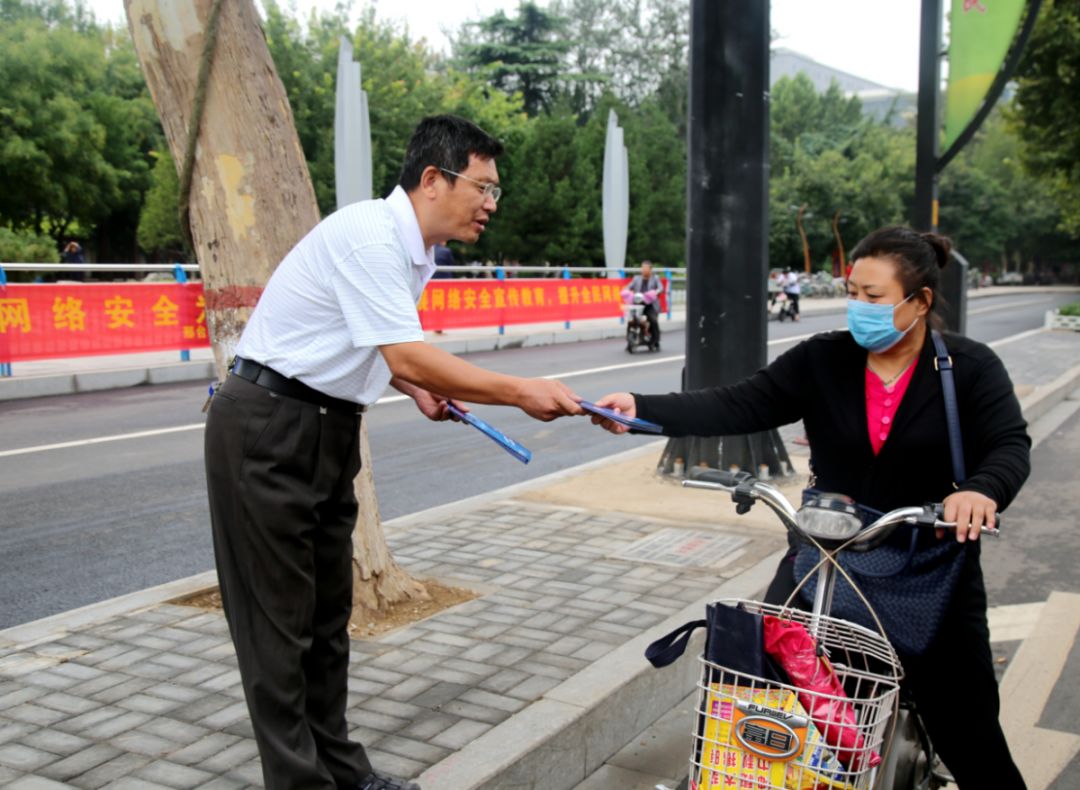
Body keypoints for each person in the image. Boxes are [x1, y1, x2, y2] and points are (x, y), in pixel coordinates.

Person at [204, 115, 582, 790]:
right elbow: (407, 350)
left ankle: (344, 772)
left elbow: (377, 346)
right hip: (268, 428)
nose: (492, 204)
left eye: (497, 191)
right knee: (276, 631)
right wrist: (517, 389)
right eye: (484, 187)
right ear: (433, 179)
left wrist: (412, 388)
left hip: (325, 428)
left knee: (325, 622)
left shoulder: (416, 252)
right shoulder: (371, 236)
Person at [588, 226, 1030, 789]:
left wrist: (981, 489)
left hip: (930, 567)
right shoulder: (824, 359)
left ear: (919, 302)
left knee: (967, 727)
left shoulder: (967, 368)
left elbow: (1009, 445)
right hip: (827, 556)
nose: (857, 308)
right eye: (852, 293)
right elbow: (738, 403)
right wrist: (639, 407)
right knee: (766, 688)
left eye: (874, 298)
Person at [621, 260, 663, 350]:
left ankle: (656, 340)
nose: (644, 270)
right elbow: (628, 287)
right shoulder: (636, 278)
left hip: (649, 304)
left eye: (646, 268)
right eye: (642, 268)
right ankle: (630, 341)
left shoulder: (655, 278)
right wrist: (626, 291)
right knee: (631, 321)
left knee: (653, 320)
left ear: (650, 270)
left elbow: (660, 288)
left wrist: (655, 292)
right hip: (637, 304)